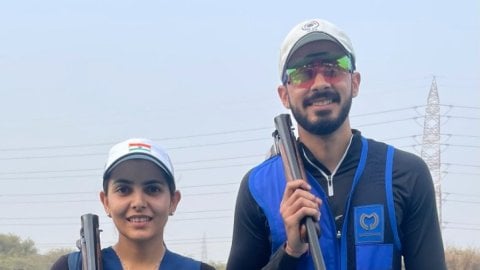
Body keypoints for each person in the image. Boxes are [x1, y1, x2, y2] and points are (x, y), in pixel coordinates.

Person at [227, 19, 446, 270]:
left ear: (355, 82)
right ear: (284, 95)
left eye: (333, 68)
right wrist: (290, 252)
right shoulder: (257, 187)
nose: (320, 83)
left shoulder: (405, 173)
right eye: (303, 73)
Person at [51, 138, 215, 270]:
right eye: (123, 190)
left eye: (152, 189)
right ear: (106, 202)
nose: (138, 202)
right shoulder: (70, 267)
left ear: (173, 201)